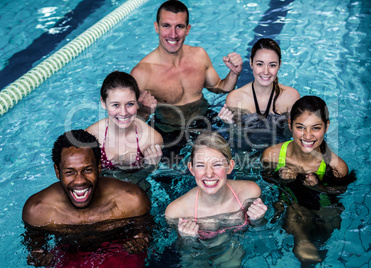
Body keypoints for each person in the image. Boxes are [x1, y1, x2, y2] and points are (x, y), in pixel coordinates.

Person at [22, 129, 153, 267]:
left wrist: (141, 241)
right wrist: (39, 256)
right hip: (68, 254)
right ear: (57, 171)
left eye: (88, 170)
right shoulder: (37, 211)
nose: (79, 181)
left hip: (119, 250)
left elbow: (145, 234)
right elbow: (35, 247)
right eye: (69, 172)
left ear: (99, 168)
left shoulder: (131, 200)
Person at [130, 0, 242, 147]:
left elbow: (219, 87)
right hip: (171, 134)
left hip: (206, 121)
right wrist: (144, 112)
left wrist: (234, 73)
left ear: (188, 29)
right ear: (157, 27)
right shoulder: (142, 73)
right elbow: (128, 122)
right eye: (166, 26)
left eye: (180, 27)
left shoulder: (199, 55)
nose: (173, 34)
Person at [261, 96, 356, 263]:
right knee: (294, 216)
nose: (307, 135)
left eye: (316, 128)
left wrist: (319, 187)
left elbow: (340, 192)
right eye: (300, 127)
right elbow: (265, 179)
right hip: (288, 200)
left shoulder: (336, 167)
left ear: (327, 126)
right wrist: (281, 180)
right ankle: (303, 244)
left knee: (325, 229)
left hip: (323, 204)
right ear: (290, 125)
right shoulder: (272, 155)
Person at [165, 132, 267, 266]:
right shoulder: (177, 212)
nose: (209, 173)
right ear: (191, 169)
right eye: (201, 165)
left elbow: (261, 237)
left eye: (217, 164)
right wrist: (187, 240)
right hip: (199, 254)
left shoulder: (249, 193)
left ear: (230, 166)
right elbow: (182, 252)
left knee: (231, 262)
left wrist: (258, 220)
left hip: (232, 247)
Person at [224, 38, 300, 149]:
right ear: (251, 63)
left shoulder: (291, 96)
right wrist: (230, 124)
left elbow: (289, 135)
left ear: (279, 65)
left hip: (278, 150)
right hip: (247, 151)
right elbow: (237, 140)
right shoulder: (235, 98)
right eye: (260, 64)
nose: (266, 71)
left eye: (272, 65)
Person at [86, 71, 163, 178]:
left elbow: (152, 176)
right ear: (103, 103)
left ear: (137, 103)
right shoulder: (90, 137)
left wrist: (151, 166)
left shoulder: (151, 139)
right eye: (116, 105)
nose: (123, 112)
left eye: (130, 104)